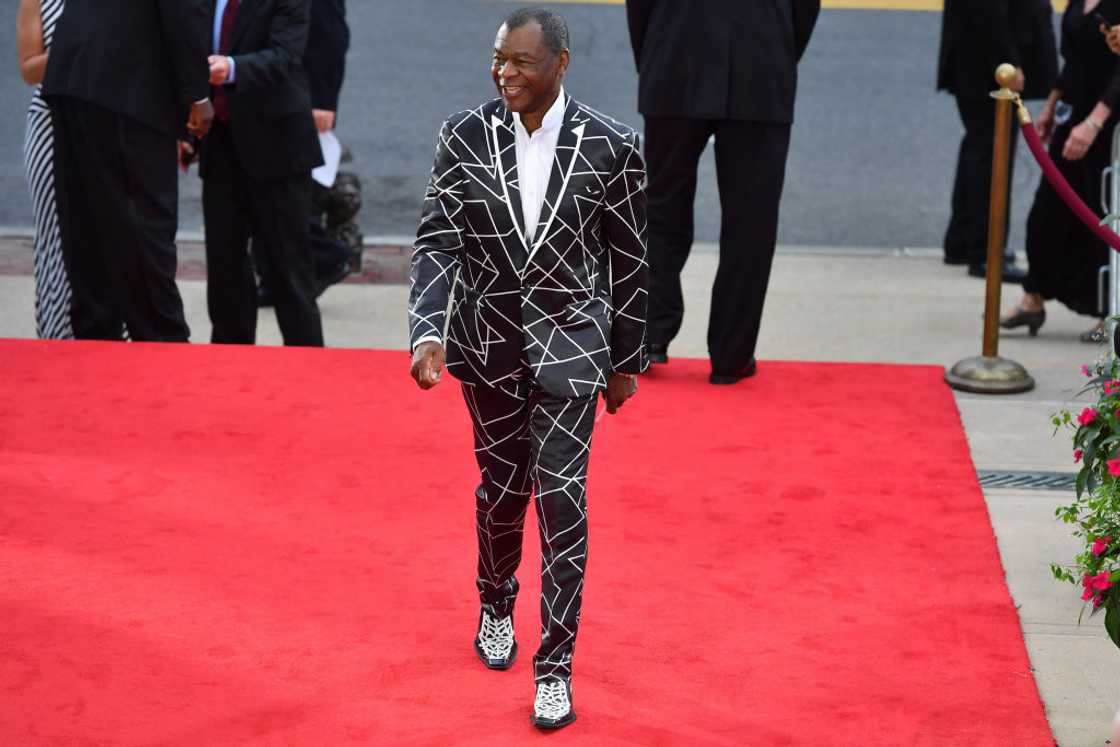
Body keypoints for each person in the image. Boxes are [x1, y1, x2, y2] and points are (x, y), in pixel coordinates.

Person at [407, 7, 647, 730]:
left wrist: (627, 358)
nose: (504, 72)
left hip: (573, 351)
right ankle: (494, 598)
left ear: (561, 65)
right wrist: (426, 333)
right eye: (498, 59)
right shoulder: (464, 134)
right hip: (488, 350)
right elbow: (436, 243)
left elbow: (630, 260)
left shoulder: (612, 146)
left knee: (565, 506)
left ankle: (556, 666)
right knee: (503, 493)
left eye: (520, 62)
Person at [626, 0, 819, 384]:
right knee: (751, 222)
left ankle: (648, 336)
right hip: (760, 62)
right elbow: (805, 9)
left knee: (662, 208)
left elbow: (639, 7)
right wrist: (778, 51)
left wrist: (653, 55)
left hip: (674, 53)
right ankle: (732, 354)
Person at [42, 0, 212, 342]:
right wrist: (197, 93)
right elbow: (183, 12)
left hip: (75, 75)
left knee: (88, 220)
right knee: (142, 221)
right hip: (126, 82)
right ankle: (161, 343)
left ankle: (96, 341)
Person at [189, 0, 325, 347]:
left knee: (287, 269)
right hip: (220, 144)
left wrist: (231, 68)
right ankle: (229, 362)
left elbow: (286, 54)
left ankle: (309, 363)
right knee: (224, 267)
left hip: (278, 146)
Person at [1001, 0, 1120, 342]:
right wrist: (1050, 109)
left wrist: (1095, 123)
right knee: (1047, 210)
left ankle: (1108, 312)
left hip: (1107, 123)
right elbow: (1072, 59)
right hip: (1073, 112)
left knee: (1101, 216)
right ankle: (1033, 298)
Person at [937, 0, 1058, 282]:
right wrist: (1009, 62)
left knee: (979, 147)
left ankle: (963, 241)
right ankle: (985, 252)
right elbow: (986, 9)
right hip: (988, 65)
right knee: (992, 154)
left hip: (977, 60)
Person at [254, 0, 352, 307]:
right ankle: (273, 278)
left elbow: (330, 36)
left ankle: (326, 258)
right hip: (265, 93)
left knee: (291, 198)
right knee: (263, 193)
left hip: (301, 98)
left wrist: (324, 100)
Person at [17, 0, 70, 339]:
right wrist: (83, 43)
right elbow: (28, 69)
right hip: (50, 122)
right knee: (55, 235)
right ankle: (58, 335)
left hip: (107, 124)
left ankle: (112, 337)